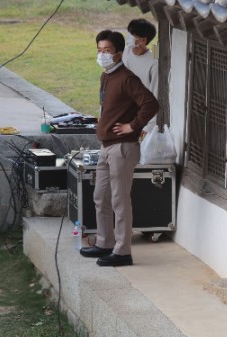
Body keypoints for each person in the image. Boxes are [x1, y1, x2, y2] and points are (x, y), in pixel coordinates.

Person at [80, 30, 159, 267]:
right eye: (99, 50)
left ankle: (122, 251)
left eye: (107, 50)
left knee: (119, 201)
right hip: (106, 146)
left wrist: (132, 126)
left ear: (118, 53)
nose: (102, 55)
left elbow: (151, 104)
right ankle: (104, 242)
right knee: (100, 197)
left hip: (122, 148)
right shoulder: (106, 76)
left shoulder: (127, 78)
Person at [122, 19, 158, 98]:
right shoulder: (123, 52)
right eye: (129, 33)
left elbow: (154, 94)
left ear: (143, 40)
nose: (128, 37)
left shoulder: (154, 63)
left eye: (132, 35)